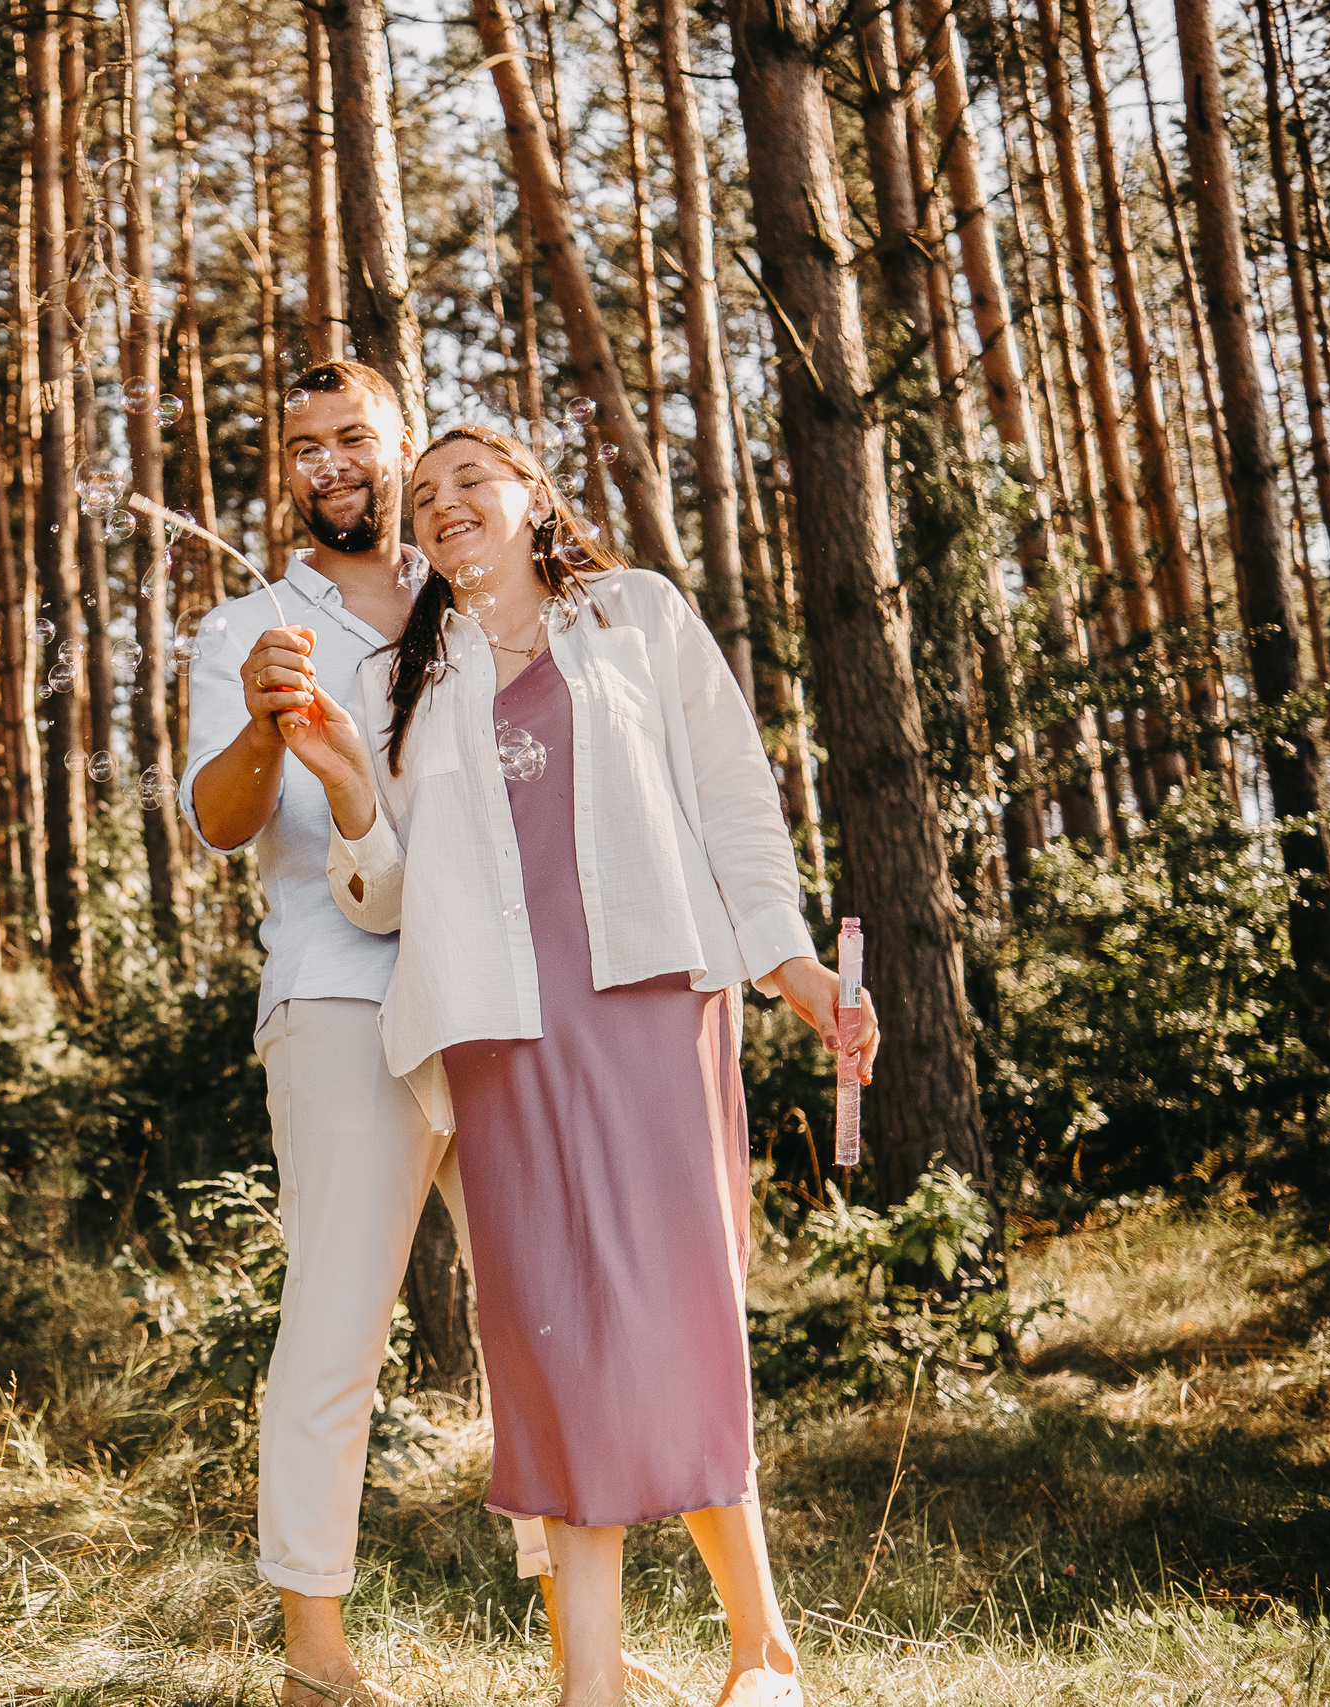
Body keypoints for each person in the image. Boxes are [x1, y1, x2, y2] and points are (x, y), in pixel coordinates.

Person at [264, 424, 882, 1707]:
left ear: (533, 496)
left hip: (654, 1006)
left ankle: (761, 1652)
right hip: (499, 1037)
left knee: (683, 1315)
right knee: (547, 1342)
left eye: (465, 480)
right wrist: (345, 790)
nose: (439, 506)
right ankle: (586, 1685)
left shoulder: (639, 615)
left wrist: (793, 968)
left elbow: (732, 802)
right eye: (421, 496)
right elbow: (383, 898)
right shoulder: (414, 686)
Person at [179, 361, 508, 1707]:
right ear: (286, 471)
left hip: (497, 1001)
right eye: (302, 444)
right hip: (335, 999)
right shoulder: (248, 624)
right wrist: (263, 718)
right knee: (335, 1330)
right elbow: (219, 817)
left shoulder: (483, 600)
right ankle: (317, 1658)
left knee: (533, 1321)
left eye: (352, 436)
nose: (328, 462)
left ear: (401, 440)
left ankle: (579, 1633)